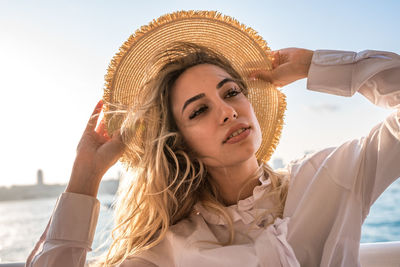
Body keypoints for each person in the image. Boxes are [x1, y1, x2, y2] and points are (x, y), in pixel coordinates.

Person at [26, 11, 400, 267]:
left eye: (232, 92)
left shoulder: (328, 177)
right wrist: (84, 179)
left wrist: (315, 65)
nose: (227, 110)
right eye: (198, 110)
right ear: (181, 142)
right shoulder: (170, 250)